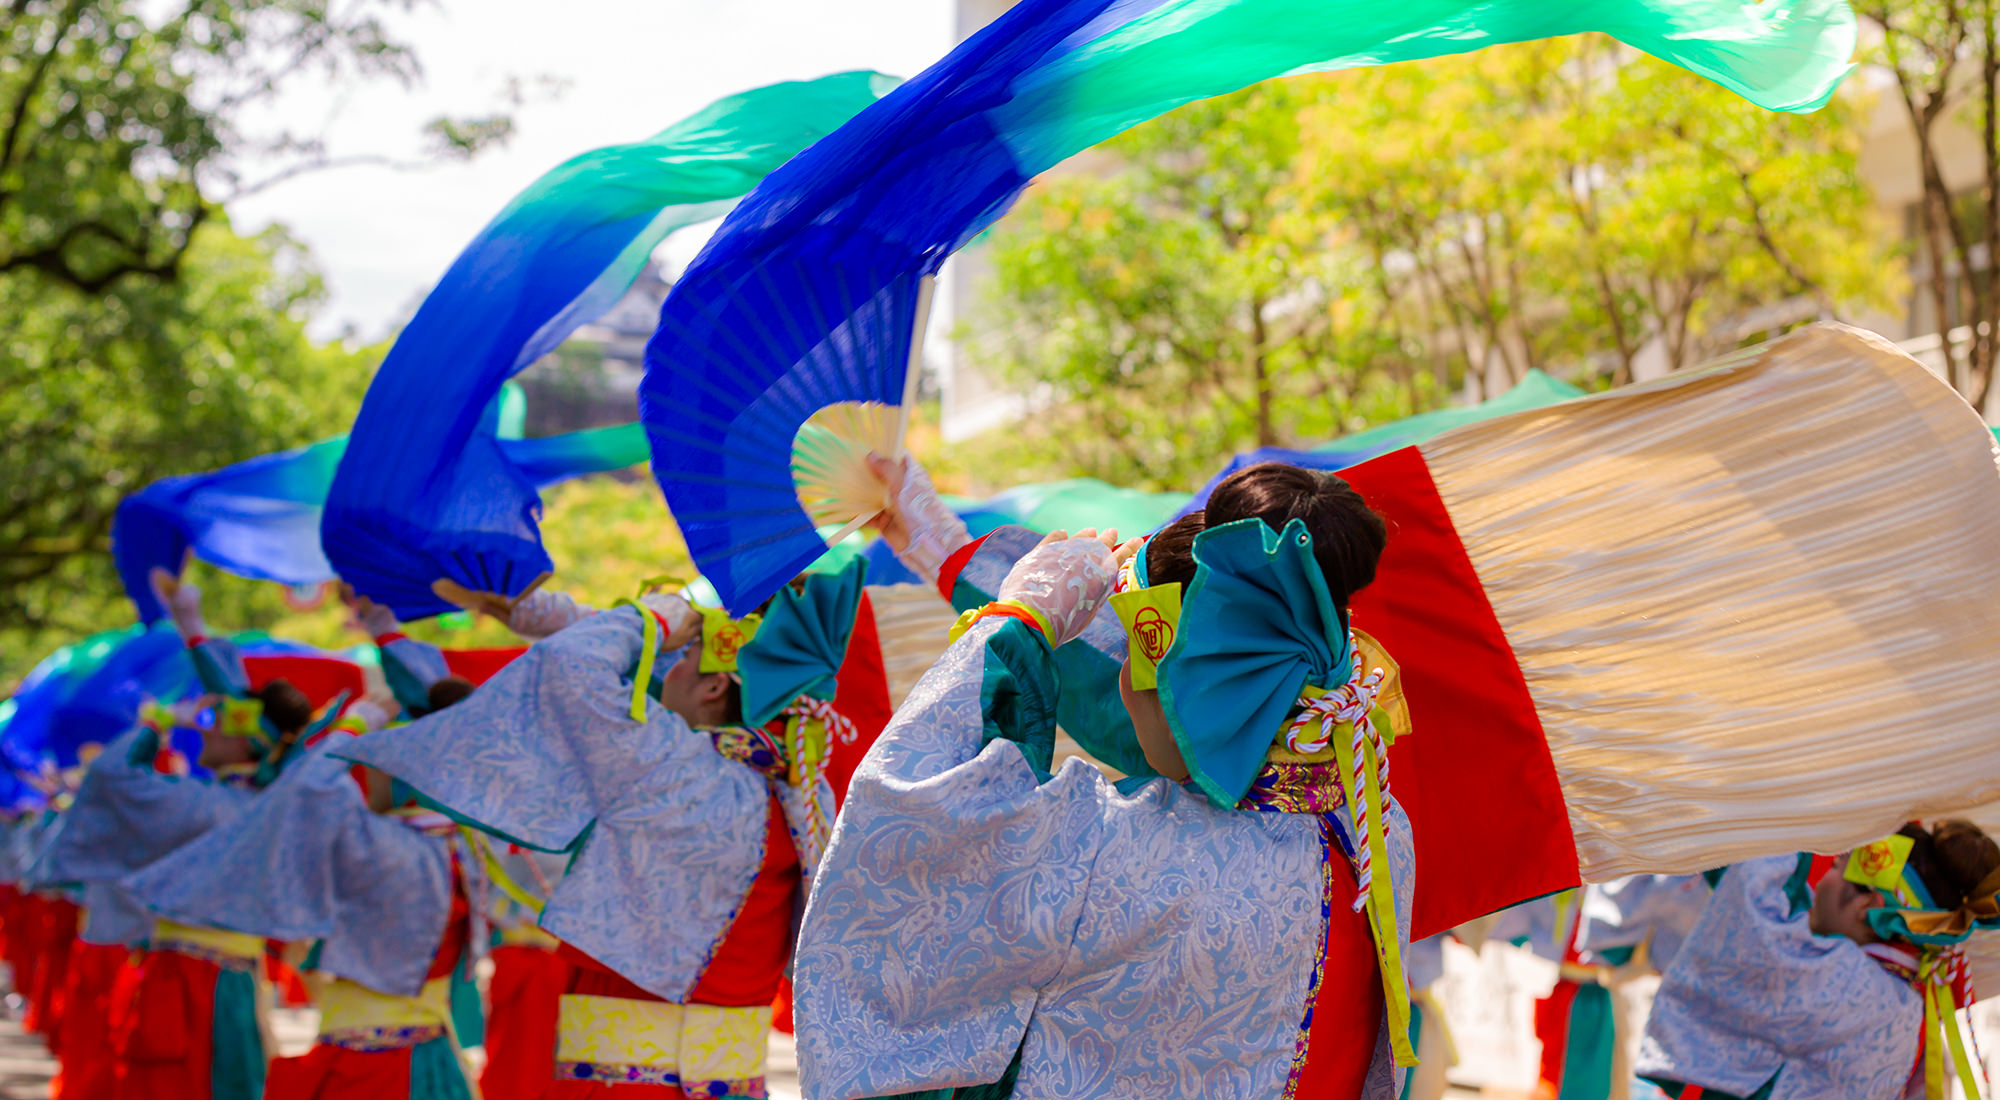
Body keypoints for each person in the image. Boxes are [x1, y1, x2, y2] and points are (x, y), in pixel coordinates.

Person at [795, 462, 1418, 1099]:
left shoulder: (1100, 854)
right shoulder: (1378, 831)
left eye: (1130, 657)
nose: (1114, 681)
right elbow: (1172, 717)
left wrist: (1020, 620)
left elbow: (911, 812)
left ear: (1171, 685)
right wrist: (937, 542)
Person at [340, 560, 876, 1098]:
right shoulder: (800, 792)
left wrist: (664, 617)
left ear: (714, 686)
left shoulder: (664, 762)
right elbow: (649, 671)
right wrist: (532, 612)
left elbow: (575, 664)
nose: (668, 668)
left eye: (686, 656)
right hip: (734, 1085)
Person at [1636, 821, 2000, 1100]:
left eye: (1835, 867)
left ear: (1865, 904)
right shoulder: (1907, 1000)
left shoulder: (1854, 982)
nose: (1817, 884)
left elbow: (1756, 906)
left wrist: (1804, 806)